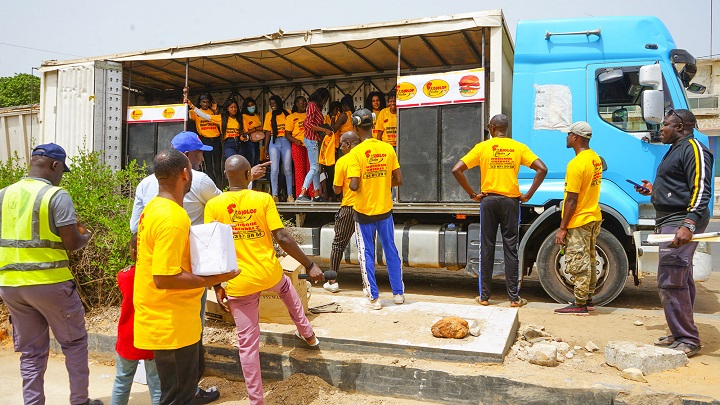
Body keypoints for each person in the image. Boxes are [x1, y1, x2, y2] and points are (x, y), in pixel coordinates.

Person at [129, 131, 267, 404]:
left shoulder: (154, 208)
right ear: (184, 173)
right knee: (176, 396)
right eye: (192, 168)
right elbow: (164, 277)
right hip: (171, 323)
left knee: (179, 391)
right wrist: (219, 277)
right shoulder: (172, 217)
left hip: (168, 317)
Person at [204, 154, 324, 405]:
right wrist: (309, 264)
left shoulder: (214, 205)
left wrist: (217, 286)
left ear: (226, 176)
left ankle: (256, 401)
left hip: (238, 282)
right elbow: (281, 236)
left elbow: (212, 249)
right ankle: (308, 334)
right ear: (249, 175)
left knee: (248, 344)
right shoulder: (262, 199)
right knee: (287, 290)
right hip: (268, 273)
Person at [0, 143, 100, 405]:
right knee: (74, 343)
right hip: (50, 283)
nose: (61, 176)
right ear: (55, 165)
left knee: (31, 352)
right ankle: (80, 401)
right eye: (62, 170)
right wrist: (85, 235)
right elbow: (71, 242)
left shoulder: (4, 194)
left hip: (10, 285)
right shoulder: (56, 195)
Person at [634, 109, 712, 358]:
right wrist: (653, 190)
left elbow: (701, 189)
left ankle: (688, 338)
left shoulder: (694, 148)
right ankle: (680, 333)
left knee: (671, 279)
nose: (661, 129)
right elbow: (677, 186)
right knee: (680, 278)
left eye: (665, 125)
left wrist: (689, 223)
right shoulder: (676, 147)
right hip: (670, 218)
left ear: (679, 126)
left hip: (680, 220)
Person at [452, 114, 547, 307]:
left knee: (486, 247)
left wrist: (472, 194)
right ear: (506, 128)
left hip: (488, 201)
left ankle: (485, 297)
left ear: (492, 127)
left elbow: (456, 169)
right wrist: (528, 195)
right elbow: (542, 169)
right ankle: (513, 298)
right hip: (510, 202)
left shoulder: (483, 148)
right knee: (510, 248)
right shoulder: (518, 147)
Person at [347, 109, 404, 310]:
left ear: (355, 127)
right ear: (373, 125)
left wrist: (361, 180)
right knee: (391, 251)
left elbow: (353, 186)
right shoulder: (388, 148)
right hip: (385, 210)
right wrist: (380, 180)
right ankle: (398, 294)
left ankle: (374, 298)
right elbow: (399, 179)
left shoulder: (355, 154)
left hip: (363, 213)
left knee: (366, 254)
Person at [553, 122, 603, 316]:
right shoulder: (594, 158)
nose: (566, 138)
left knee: (577, 261)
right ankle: (587, 298)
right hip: (592, 215)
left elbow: (572, 200)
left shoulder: (576, 164)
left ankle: (580, 304)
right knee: (589, 259)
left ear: (576, 137)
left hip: (579, 218)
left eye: (568, 134)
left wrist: (562, 228)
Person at [111, 233, 161, 405]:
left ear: (133, 251)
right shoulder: (159, 277)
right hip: (152, 336)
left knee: (122, 381)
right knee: (157, 384)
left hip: (128, 336)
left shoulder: (124, 276)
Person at [324, 131, 362, 293]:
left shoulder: (343, 161)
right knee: (366, 247)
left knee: (338, 244)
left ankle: (332, 281)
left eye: (341, 144)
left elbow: (338, 189)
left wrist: (334, 185)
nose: (339, 147)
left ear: (347, 144)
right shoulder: (365, 157)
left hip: (349, 207)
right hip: (368, 207)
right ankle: (369, 284)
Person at [297, 88, 333, 202]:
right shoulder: (312, 105)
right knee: (314, 168)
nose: (325, 102)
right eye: (325, 99)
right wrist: (324, 130)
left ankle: (316, 195)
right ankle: (302, 194)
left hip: (314, 140)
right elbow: (308, 124)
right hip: (311, 139)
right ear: (321, 97)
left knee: (317, 168)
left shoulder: (316, 107)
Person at [187, 92, 223, 186]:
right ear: (200, 102)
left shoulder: (213, 112)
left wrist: (215, 111)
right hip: (205, 140)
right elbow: (186, 112)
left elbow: (220, 122)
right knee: (209, 167)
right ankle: (212, 186)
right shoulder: (195, 112)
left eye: (207, 102)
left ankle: (219, 187)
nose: (205, 104)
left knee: (218, 167)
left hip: (216, 140)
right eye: (203, 102)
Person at [263, 95, 293, 202]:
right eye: (271, 104)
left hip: (286, 141)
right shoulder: (269, 115)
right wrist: (266, 148)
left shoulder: (287, 113)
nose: (273, 106)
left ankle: (290, 195)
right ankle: (275, 195)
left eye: (274, 104)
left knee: (288, 169)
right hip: (274, 141)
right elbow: (267, 132)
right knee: (274, 169)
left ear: (279, 103)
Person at [285, 96, 310, 201]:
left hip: (310, 145)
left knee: (310, 169)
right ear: (296, 104)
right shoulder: (291, 117)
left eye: (305, 102)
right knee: (299, 170)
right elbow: (287, 134)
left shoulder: (309, 115)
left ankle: (311, 194)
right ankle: (301, 195)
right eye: (301, 102)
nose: (304, 104)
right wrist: (295, 141)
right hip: (297, 145)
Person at [241, 97, 264, 168]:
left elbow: (263, 128)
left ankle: (255, 178)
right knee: (251, 160)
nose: (251, 107)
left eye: (252, 105)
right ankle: (250, 178)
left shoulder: (257, 116)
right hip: (249, 142)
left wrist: (254, 129)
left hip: (257, 141)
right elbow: (246, 132)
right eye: (249, 106)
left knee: (256, 160)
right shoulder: (244, 116)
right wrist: (256, 129)